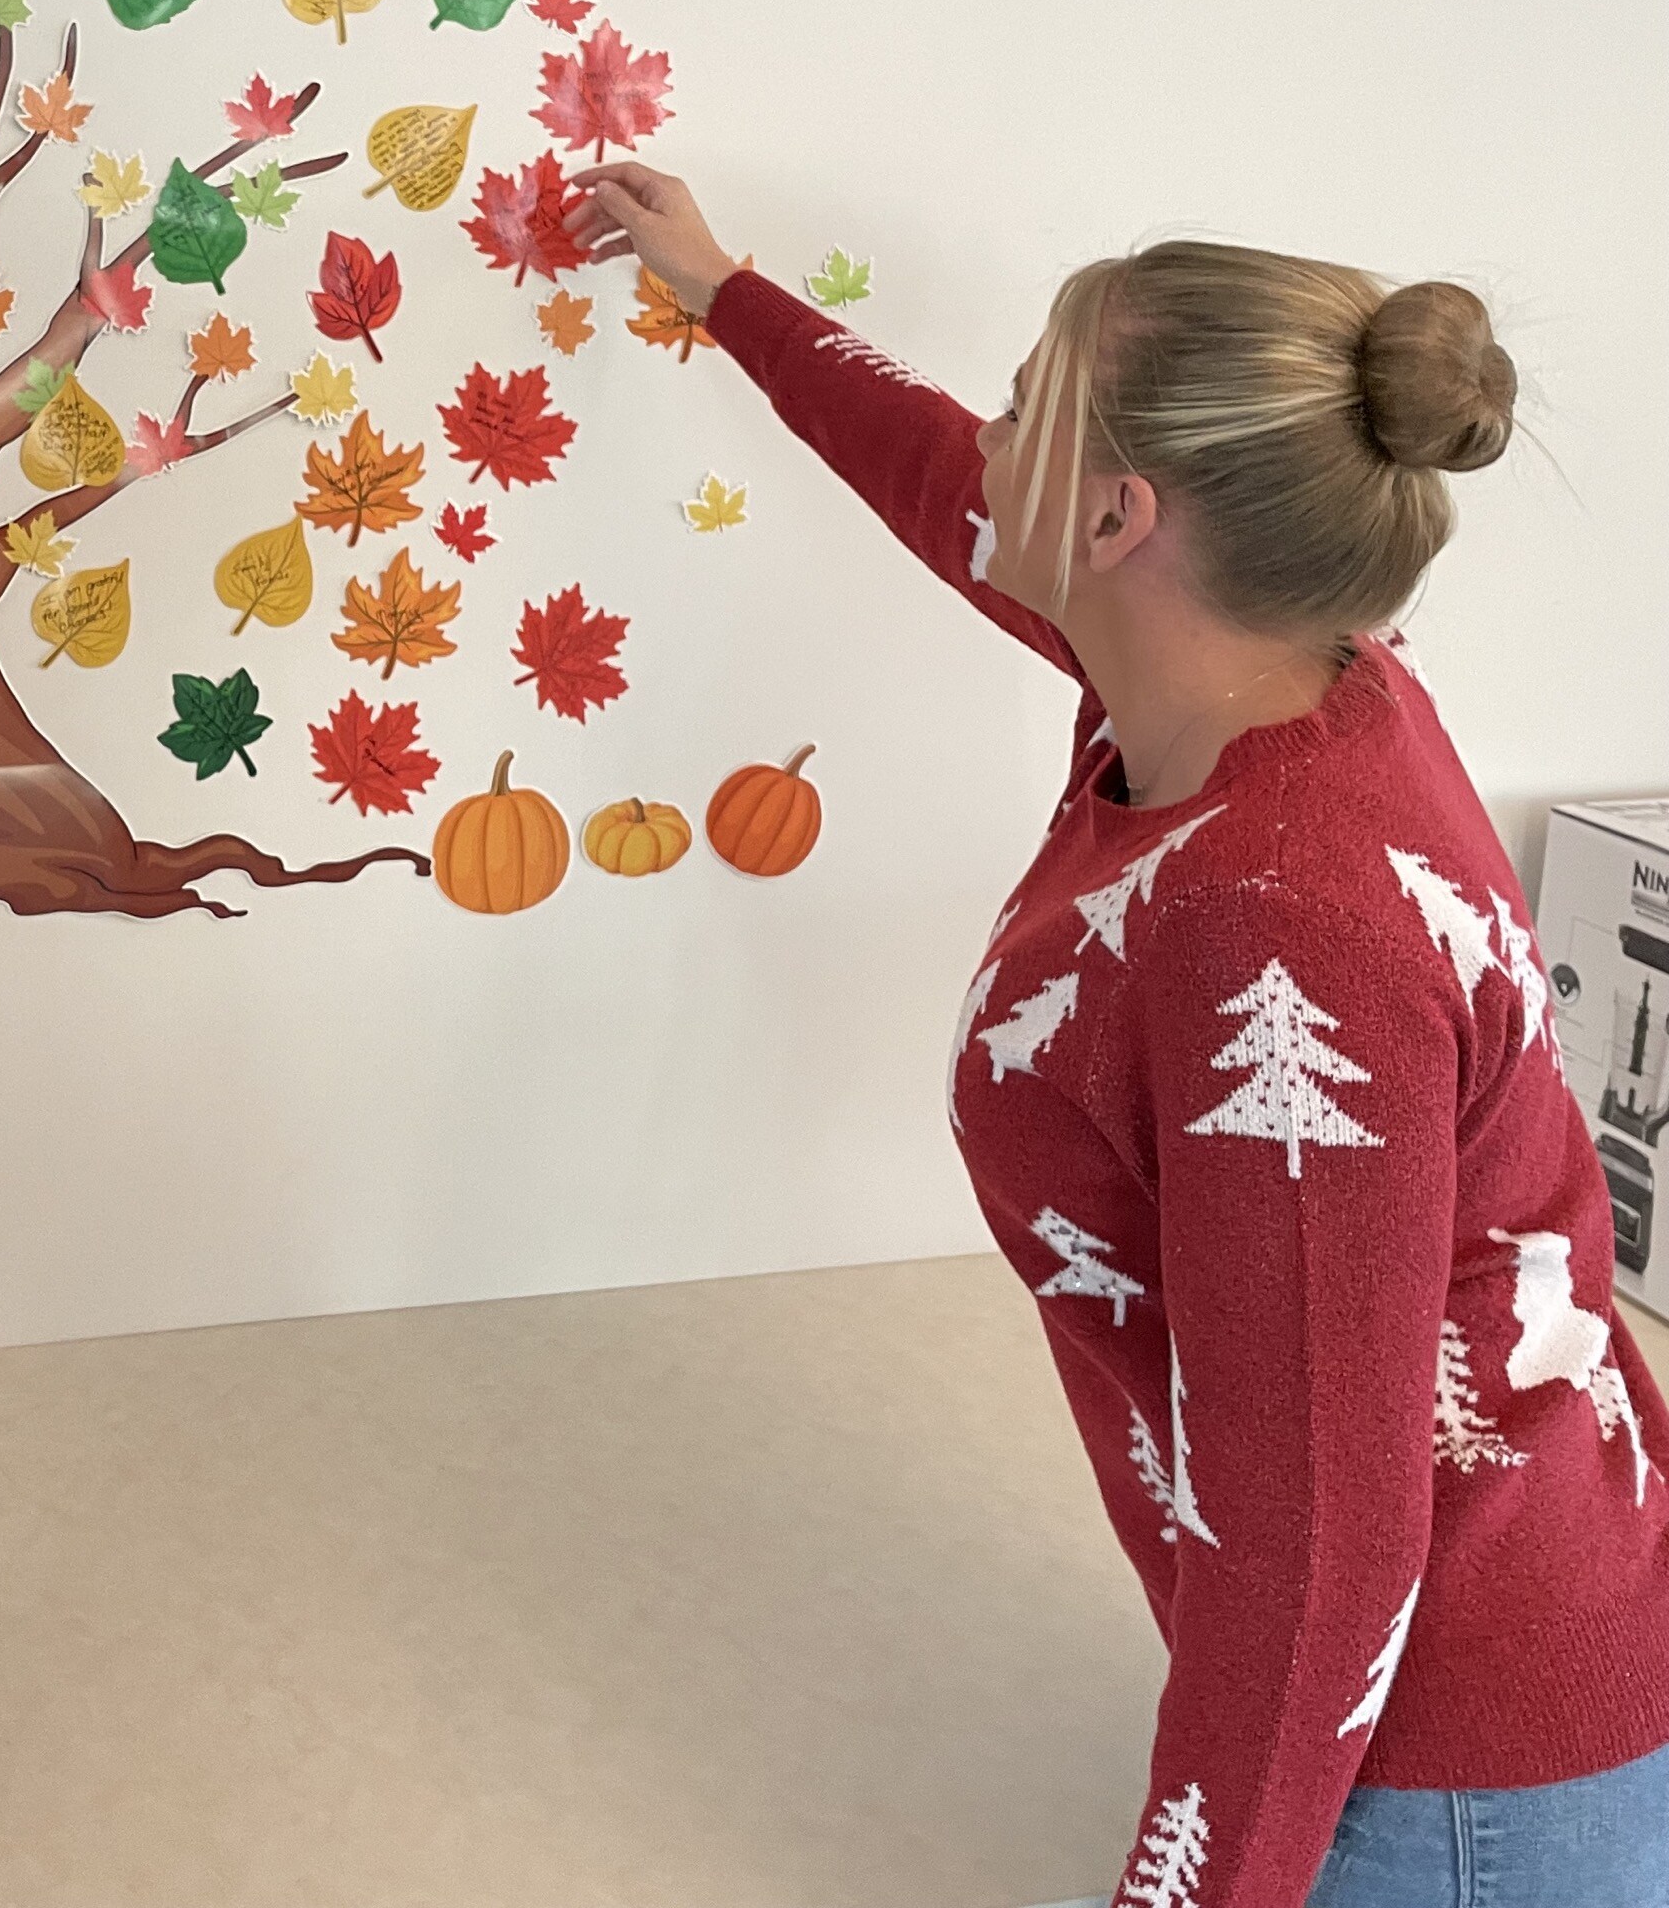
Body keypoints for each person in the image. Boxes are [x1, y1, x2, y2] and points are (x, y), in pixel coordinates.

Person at [572, 163, 1669, 1906]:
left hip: (1450, 1781)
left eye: (1024, 406)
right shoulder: (1283, 676)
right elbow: (947, 482)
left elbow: (1320, 1549)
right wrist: (723, 288)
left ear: (1117, 523)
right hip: (1476, 1639)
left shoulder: (1277, 934)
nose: (985, 431)